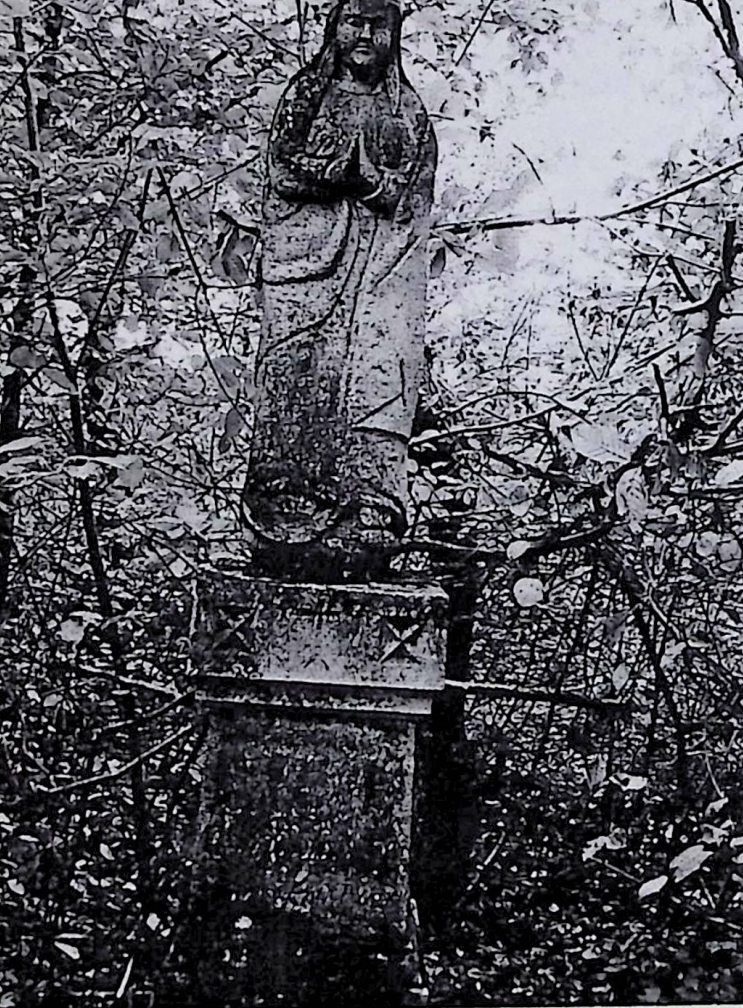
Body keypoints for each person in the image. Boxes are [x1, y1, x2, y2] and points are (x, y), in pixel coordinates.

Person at [242, 0, 437, 579]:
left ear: (394, 33)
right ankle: (285, 501)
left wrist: (373, 183)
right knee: (295, 372)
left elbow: (411, 200)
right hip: (306, 270)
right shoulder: (307, 95)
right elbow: (281, 174)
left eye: (378, 24)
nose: (364, 35)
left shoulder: (408, 112)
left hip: (379, 277)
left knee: (376, 374)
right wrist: (334, 178)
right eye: (354, 21)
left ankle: (371, 503)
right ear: (334, 28)